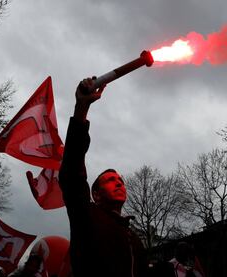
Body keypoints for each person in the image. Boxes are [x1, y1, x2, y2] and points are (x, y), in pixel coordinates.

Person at [59, 77, 147, 277]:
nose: (119, 183)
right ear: (96, 194)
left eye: (121, 181)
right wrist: (81, 108)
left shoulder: (135, 239)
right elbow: (72, 172)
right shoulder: (86, 215)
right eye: (111, 181)